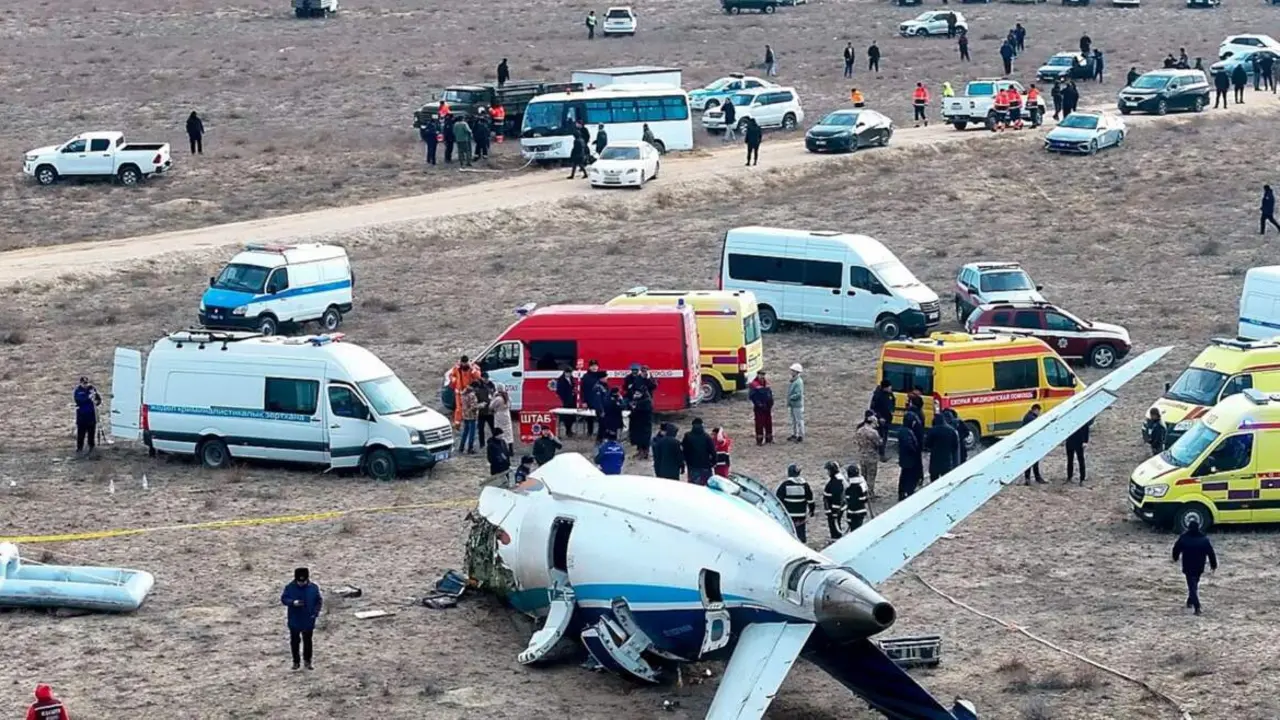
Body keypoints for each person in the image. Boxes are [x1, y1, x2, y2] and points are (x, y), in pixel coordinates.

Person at [281, 567, 322, 670]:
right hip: (294, 620)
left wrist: (315, 613)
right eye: (299, 581)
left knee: (308, 641)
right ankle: (296, 662)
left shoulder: (313, 588)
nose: (301, 583)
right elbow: (284, 599)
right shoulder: (289, 587)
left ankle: (307, 661)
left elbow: (318, 601)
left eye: (303, 581)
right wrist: (293, 602)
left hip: (308, 620)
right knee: (295, 642)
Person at [1172, 520, 1217, 615]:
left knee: (1192, 586)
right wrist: (1213, 564)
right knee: (1194, 584)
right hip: (1199, 566)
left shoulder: (1184, 538)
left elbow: (1176, 549)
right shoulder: (1204, 540)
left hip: (1188, 565)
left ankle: (1196, 606)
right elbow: (1211, 553)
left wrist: (1175, 557)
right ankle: (1190, 601)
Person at [776, 464, 815, 542]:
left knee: (789, 533)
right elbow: (810, 499)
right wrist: (812, 510)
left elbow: (778, 500)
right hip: (801, 515)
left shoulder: (785, 485)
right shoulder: (805, 485)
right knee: (800, 533)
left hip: (789, 515)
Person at [682, 417, 716, 486]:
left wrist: (686, 461)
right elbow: (713, 451)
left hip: (692, 466)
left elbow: (684, 450)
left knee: (694, 487)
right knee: (707, 487)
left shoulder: (687, 436)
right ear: (702, 425)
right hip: (705, 466)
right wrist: (713, 462)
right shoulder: (706, 436)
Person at [854, 412, 882, 497]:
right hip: (871, 456)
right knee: (871, 475)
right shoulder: (873, 432)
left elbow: (857, 442)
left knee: (863, 475)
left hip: (862, 455)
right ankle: (870, 493)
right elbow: (878, 443)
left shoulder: (859, 430)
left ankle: (863, 492)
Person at [925, 415, 959, 483]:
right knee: (946, 482)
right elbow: (955, 446)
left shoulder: (933, 430)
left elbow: (927, 444)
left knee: (934, 482)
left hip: (935, 460)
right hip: (947, 460)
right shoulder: (951, 430)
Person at [579, 360, 607, 439]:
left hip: (600, 401)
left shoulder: (600, 375)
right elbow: (583, 390)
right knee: (589, 418)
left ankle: (601, 433)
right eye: (592, 366)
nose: (594, 367)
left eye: (596, 366)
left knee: (601, 417)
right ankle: (590, 432)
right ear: (589, 367)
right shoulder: (586, 377)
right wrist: (584, 401)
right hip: (590, 400)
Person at [74, 376, 101, 456]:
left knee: (91, 433)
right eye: (84, 383)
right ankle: (79, 448)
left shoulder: (92, 389)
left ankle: (91, 447)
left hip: (91, 415)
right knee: (81, 434)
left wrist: (97, 401)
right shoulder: (78, 391)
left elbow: (98, 399)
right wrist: (88, 397)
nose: (85, 385)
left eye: (86, 383)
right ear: (81, 383)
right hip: (82, 416)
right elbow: (79, 400)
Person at [897, 421, 923, 501]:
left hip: (905, 458)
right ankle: (908, 492)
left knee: (904, 475)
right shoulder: (907, 432)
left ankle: (902, 492)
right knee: (909, 476)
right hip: (910, 459)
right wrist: (915, 450)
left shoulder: (903, 431)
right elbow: (909, 445)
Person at [822, 461, 847, 540]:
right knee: (835, 524)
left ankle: (836, 540)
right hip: (838, 508)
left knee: (834, 525)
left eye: (828, 470)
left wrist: (834, 512)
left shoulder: (836, 482)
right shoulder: (839, 478)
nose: (827, 473)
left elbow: (836, 499)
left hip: (835, 509)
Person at [748, 370, 774, 445]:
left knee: (768, 423)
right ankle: (759, 440)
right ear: (758, 375)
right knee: (759, 424)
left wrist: (771, 403)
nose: (762, 376)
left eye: (763, 375)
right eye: (761, 375)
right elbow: (752, 396)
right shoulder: (754, 384)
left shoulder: (767, 384)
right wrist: (759, 404)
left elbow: (770, 394)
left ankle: (769, 439)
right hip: (759, 408)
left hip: (767, 407)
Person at [1022, 405, 1045, 484]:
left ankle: (1028, 478)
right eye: (1039, 411)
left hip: (1028, 442)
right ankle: (1036, 478)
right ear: (1036, 410)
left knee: (1028, 461)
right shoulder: (1032, 418)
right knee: (1033, 461)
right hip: (1032, 442)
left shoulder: (1027, 416)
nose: (1039, 413)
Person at [871, 379, 894, 459]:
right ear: (885, 387)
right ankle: (881, 454)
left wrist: (892, 410)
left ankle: (881, 452)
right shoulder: (877, 396)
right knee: (880, 437)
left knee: (885, 437)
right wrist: (879, 417)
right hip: (880, 420)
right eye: (889, 387)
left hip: (887, 419)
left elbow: (892, 401)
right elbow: (873, 408)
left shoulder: (889, 394)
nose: (891, 388)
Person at [628, 388, 654, 459]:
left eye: (637, 394)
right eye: (635, 393)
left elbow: (643, 411)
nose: (635, 395)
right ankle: (639, 451)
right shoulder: (637, 400)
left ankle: (645, 453)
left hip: (644, 424)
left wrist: (635, 407)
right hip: (637, 424)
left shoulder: (646, 401)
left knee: (644, 439)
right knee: (638, 438)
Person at [489, 385, 514, 455]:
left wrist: (493, 398)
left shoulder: (498, 398)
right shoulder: (508, 397)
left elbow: (491, 406)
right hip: (507, 414)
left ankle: (502, 448)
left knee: (499, 430)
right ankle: (511, 449)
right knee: (508, 431)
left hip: (499, 415)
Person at [845, 464, 869, 532]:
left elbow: (850, 503)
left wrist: (849, 517)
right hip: (861, 512)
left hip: (853, 513)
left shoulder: (849, 488)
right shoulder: (862, 485)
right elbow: (865, 499)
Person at [554, 367, 577, 437]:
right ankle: (568, 430)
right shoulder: (561, 380)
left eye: (570, 373)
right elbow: (559, 391)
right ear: (565, 372)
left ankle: (570, 429)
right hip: (566, 400)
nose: (569, 374)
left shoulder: (572, 378)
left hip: (572, 399)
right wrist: (565, 397)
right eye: (568, 373)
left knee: (572, 416)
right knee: (567, 416)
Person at [474, 373, 496, 446]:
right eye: (485, 378)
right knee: (481, 429)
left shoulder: (491, 385)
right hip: (482, 411)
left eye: (487, 378)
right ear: (482, 378)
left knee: (493, 428)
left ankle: (495, 441)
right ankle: (482, 444)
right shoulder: (478, 385)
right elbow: (475, 397)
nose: (486, 380)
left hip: (490, 411)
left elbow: (494, 394)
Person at [1065, 420, 1090, 485]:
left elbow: (1086, 428)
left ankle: (1082, 478)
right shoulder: (1069, 418)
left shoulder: (1082, 417)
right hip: (1070, 440)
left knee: (1081, 460)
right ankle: (1069, 476)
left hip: (1079, 441)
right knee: (1069, 460)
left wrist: (1085, 441)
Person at [458, 384, 479, 454]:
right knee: (472, 433)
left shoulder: (463, 394)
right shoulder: (472, 395)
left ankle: (461, 447)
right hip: (471, 416)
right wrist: (480, 406)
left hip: (465, 415)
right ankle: (470, 448)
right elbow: (473, 407)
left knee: (465, 432)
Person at [787, 363, 805, 442]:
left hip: (797, 404)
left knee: (799, 420)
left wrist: (791, 397)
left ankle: (800, 435)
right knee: (793, 420)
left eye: (793, 371)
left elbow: (798, 394)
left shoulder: (798, 382)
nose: (791, 372)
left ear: (796, 372)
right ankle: (794, 434)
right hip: (793, 404)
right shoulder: (794, 380)